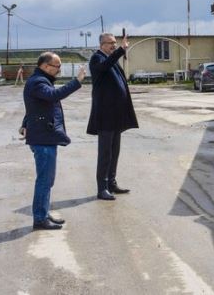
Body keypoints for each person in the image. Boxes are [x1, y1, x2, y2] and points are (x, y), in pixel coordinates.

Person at [20, 52, 86, 230]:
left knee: (47, 180)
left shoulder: (40, 81)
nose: (59, 70)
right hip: (42, 139)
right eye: (57, 66)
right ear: (46, 66)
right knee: (44, 180)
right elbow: (53, 95)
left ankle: (43, 213)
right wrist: (77, 81)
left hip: (44, 136)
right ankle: (40, 219)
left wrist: (24, 124)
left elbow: (33, 108)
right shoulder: (38, 83)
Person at [87, 33, 138, 200]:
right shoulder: (97, 59)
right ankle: (102, 188)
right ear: (102, 44)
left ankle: (111, 184)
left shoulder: (111, 59)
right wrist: (121, 50)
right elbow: (104, 67)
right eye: (110, 43)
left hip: (116, 115)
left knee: (114, 151)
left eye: (115, 43)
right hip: (105, 115)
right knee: (105, 153)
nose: (113, 46)